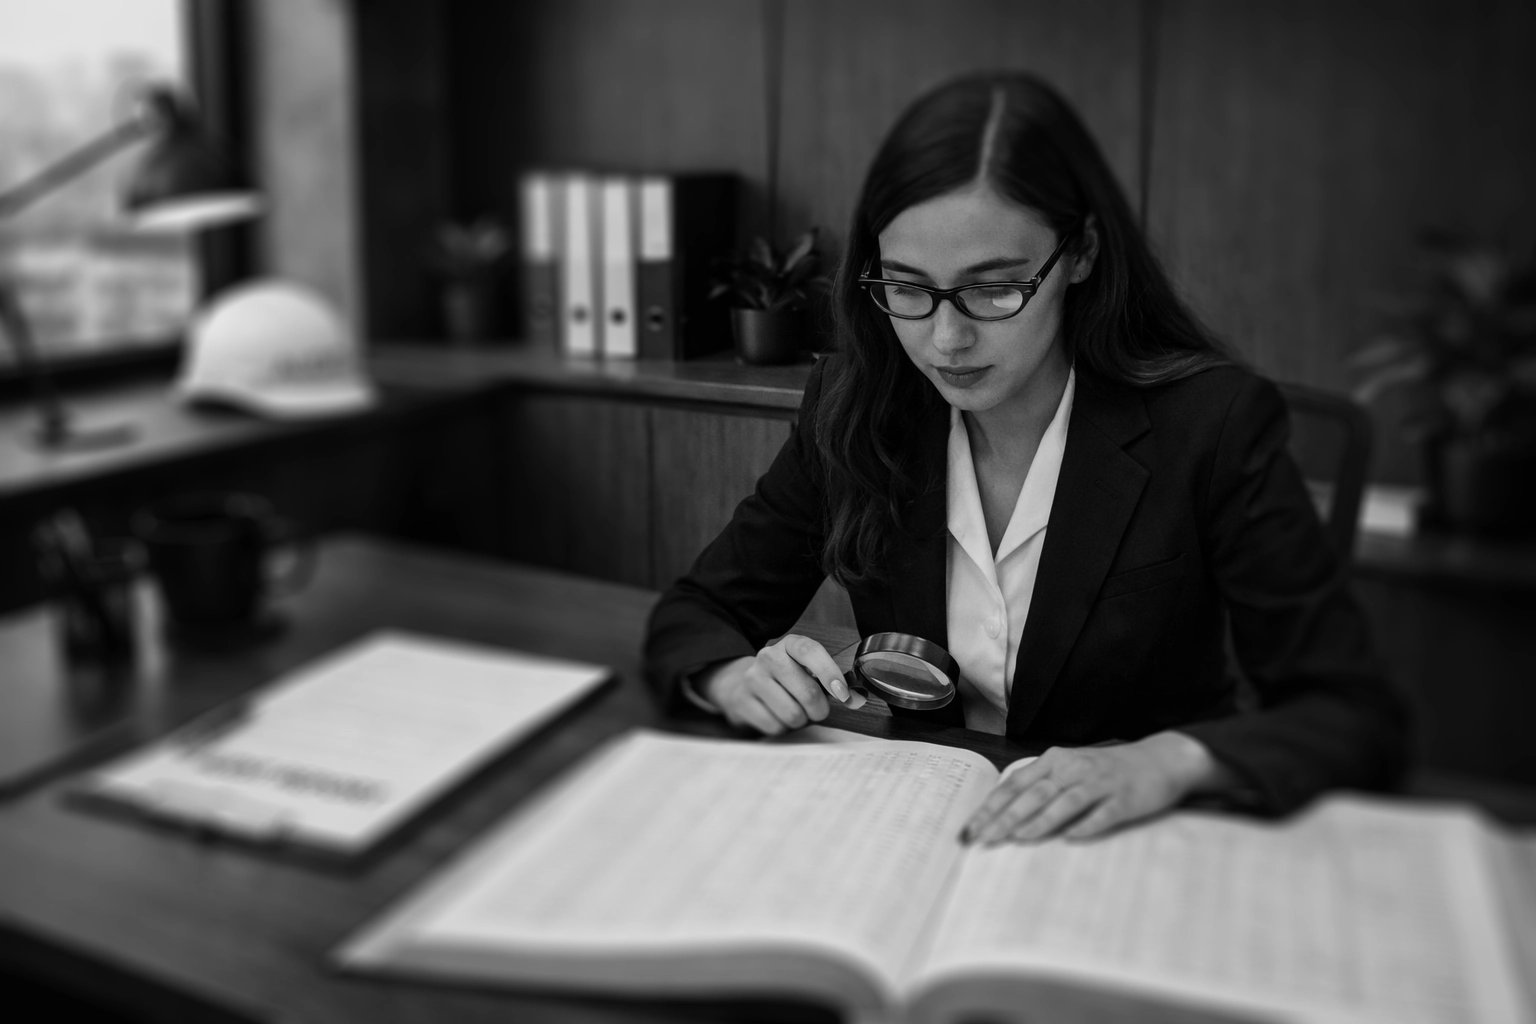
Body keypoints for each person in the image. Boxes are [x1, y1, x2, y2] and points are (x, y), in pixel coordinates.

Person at [643, 72, 1409, 844]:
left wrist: (1169, 763)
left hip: (1129, 841)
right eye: (908, 288)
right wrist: (732, 678)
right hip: (920, 822)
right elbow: (699, 613)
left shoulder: (1211, 425)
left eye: (994, 289)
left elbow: (1347, 712)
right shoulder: (857, 403)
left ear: (1080, 256)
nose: (945, 341)